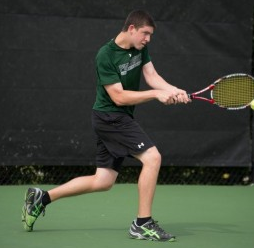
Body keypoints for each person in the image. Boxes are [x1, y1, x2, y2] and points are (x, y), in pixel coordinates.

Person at [22, 9, 190, 242]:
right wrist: (155, 95)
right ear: (131, 28)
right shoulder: (105, 55)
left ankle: (42, 198)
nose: (148, 39)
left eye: (150, 35)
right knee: (153, 158)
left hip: (116, 118)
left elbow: (152, 76)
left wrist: (172, 90)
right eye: (145, 33)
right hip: (111, 117)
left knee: (103, 181)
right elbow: (118, 97)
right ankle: (143, 223)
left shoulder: (140, 48)